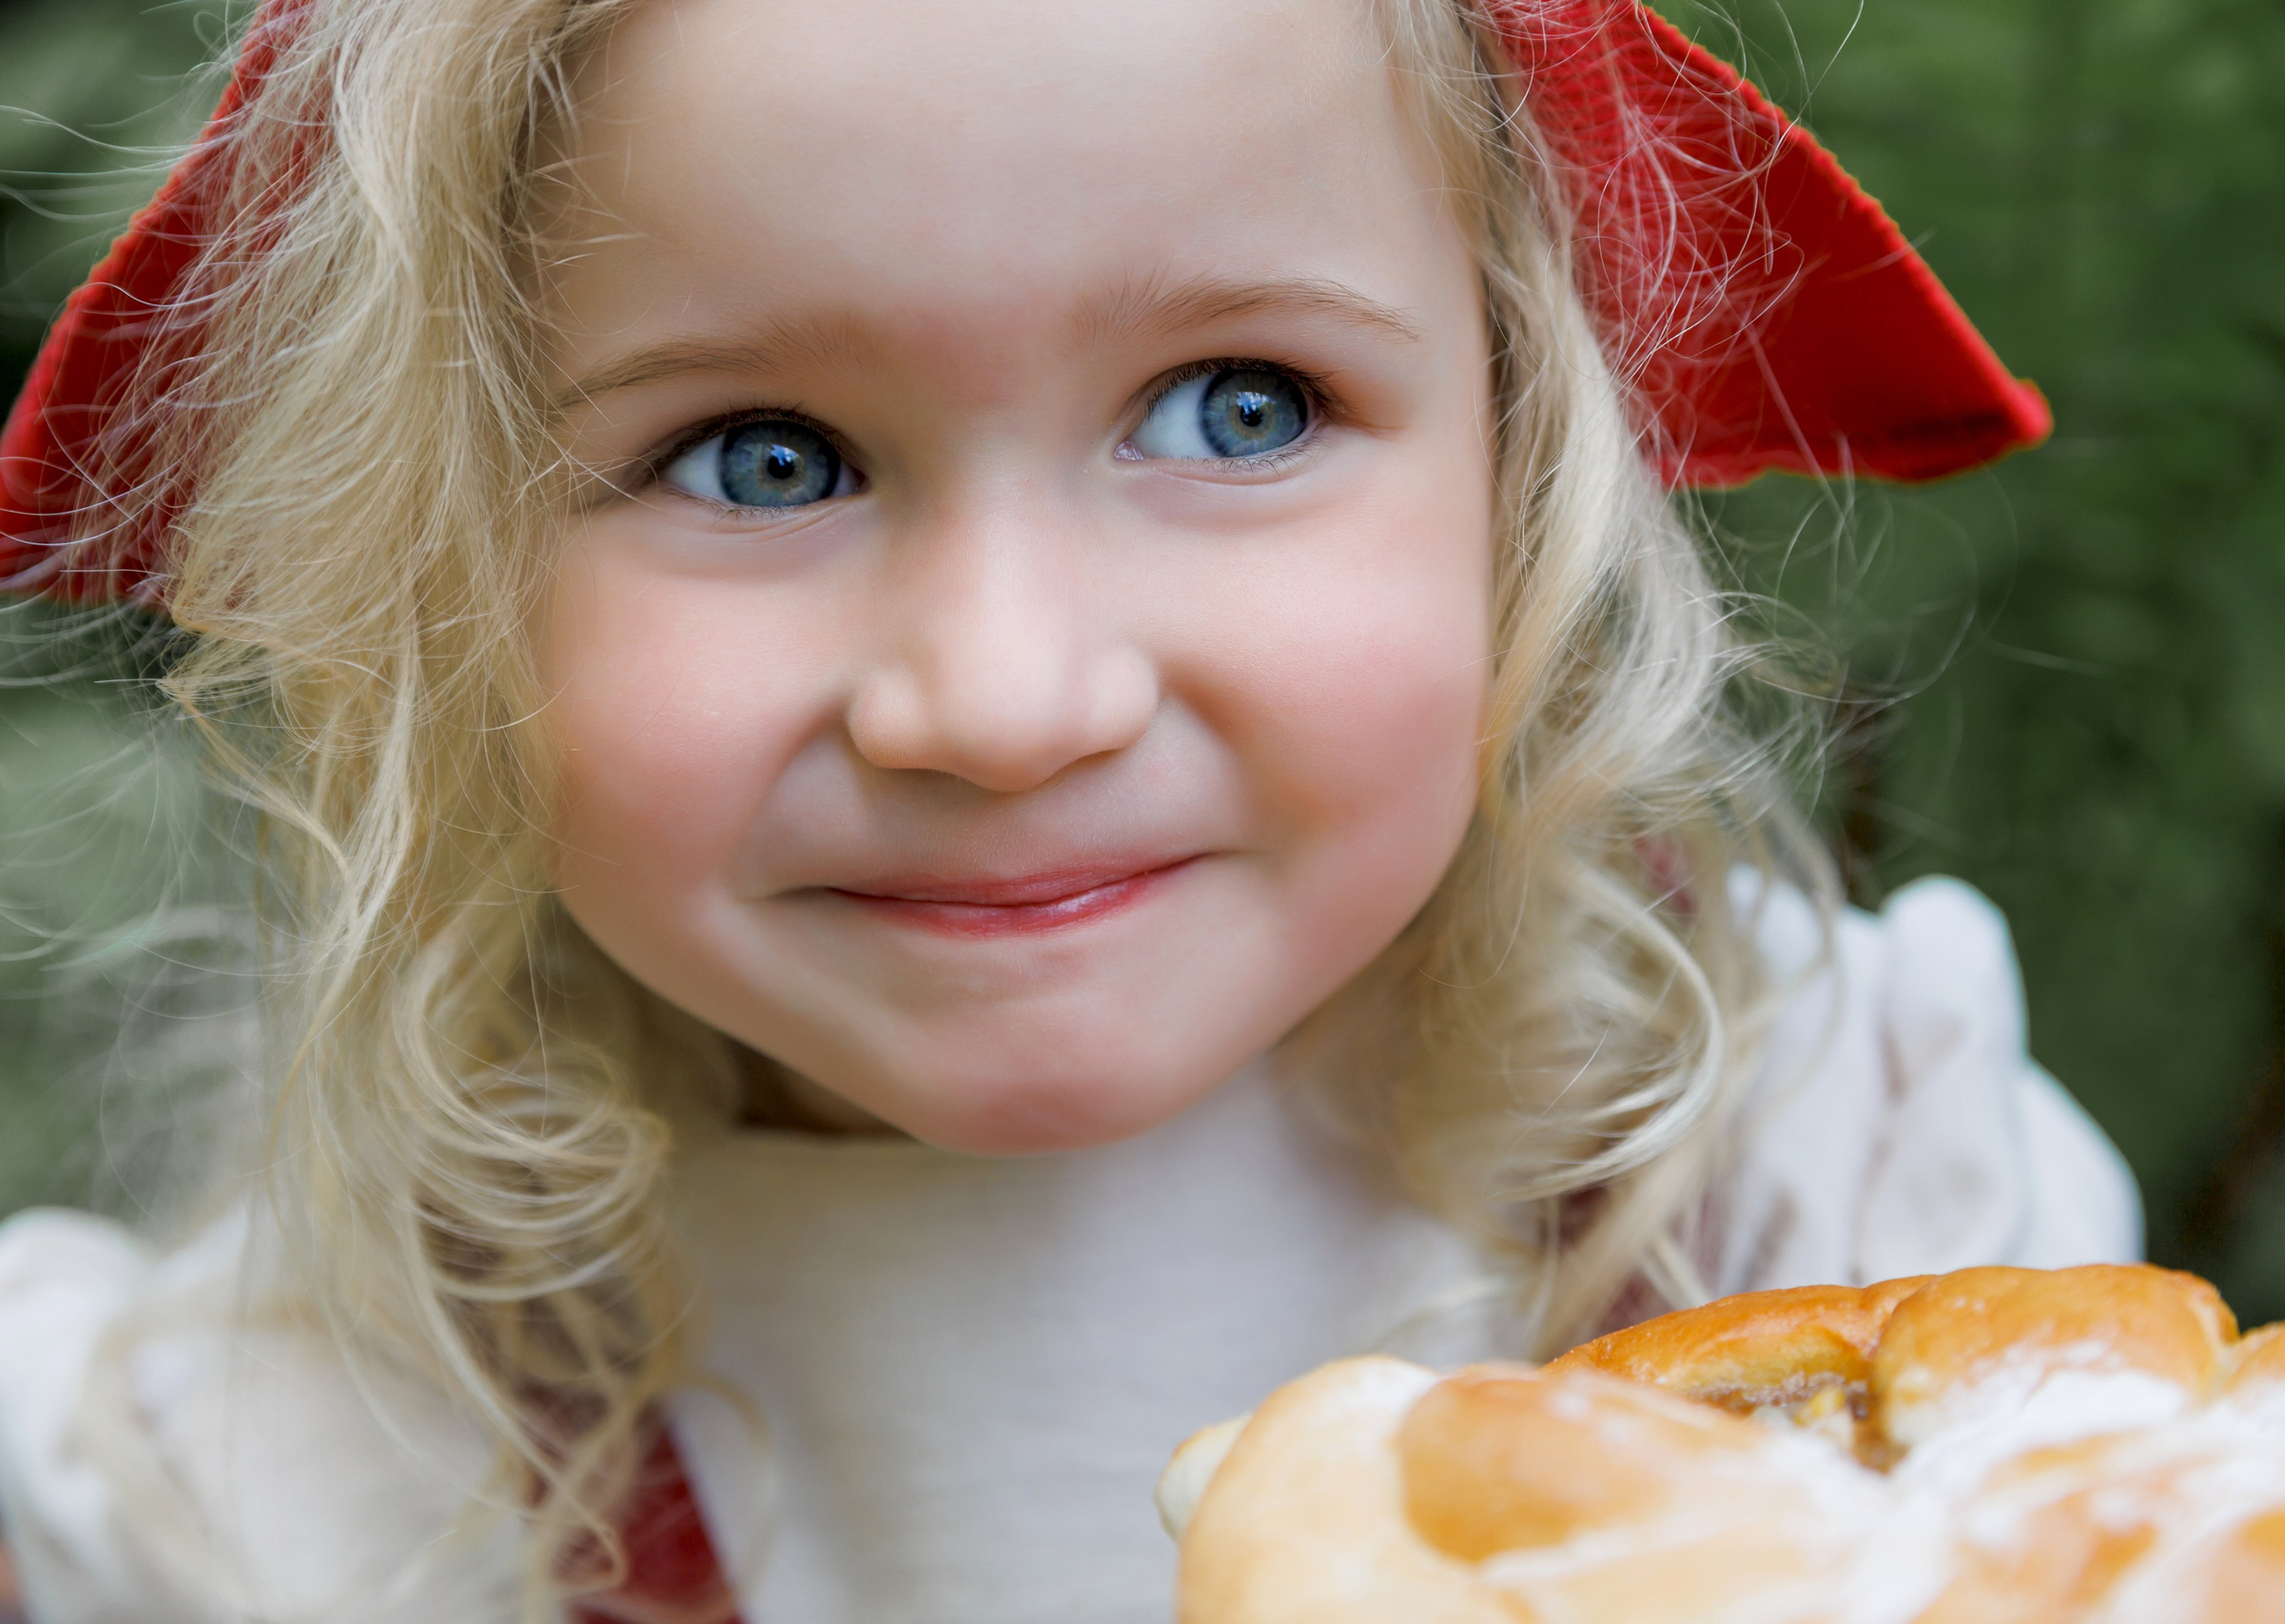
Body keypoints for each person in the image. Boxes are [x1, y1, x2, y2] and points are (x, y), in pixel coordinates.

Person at [0, 0, 2139, 1619]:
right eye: (761, 454)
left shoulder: (1843, 1217)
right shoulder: (293, 1467)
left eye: (1237, 409)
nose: (1007, 701)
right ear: (425, 575)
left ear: (1522, 460)